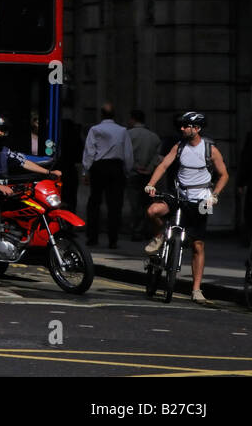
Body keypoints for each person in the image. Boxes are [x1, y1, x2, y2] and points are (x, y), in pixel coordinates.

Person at [145, 111, 229, 304]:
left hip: (203, 200)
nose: (182, 128)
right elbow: (164, 165)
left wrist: (215, 195)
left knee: (198, 245)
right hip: (179, 195)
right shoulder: (179, 146)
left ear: (197, 129)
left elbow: (224, 175)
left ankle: (196, 290)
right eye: (181, 125)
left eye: (186, 126)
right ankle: (159, 236)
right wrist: (151, 183)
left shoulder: (211, 149)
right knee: (153, 211)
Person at [0, 112, 60, 257]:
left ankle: (16, 239)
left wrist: (48, 172)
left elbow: (23, 162)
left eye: (2, 130)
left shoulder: (4, 150)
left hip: (2, 192)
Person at [82, 103, 134, 248]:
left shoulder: (95, 129)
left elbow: (89, 151)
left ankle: (92, 238)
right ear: (114, 115)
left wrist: (86, 170)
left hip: (99, 167)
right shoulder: (123, 130)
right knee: (115, 205)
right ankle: (113, 240)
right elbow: (128, 153)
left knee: (94, 203)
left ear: (101, 115)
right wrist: (127, 171)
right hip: (116, 167)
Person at [126, 109, 160, 240]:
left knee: (135, 204)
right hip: (148, 174)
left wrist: (134, 167)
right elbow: (157, 157)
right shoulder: (154, 136)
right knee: (146, 203)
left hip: (133, 173)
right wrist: (149, 168)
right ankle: (145, 230)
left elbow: (126, 155)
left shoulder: (128, 134)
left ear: (133, 119)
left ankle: (136, 231)